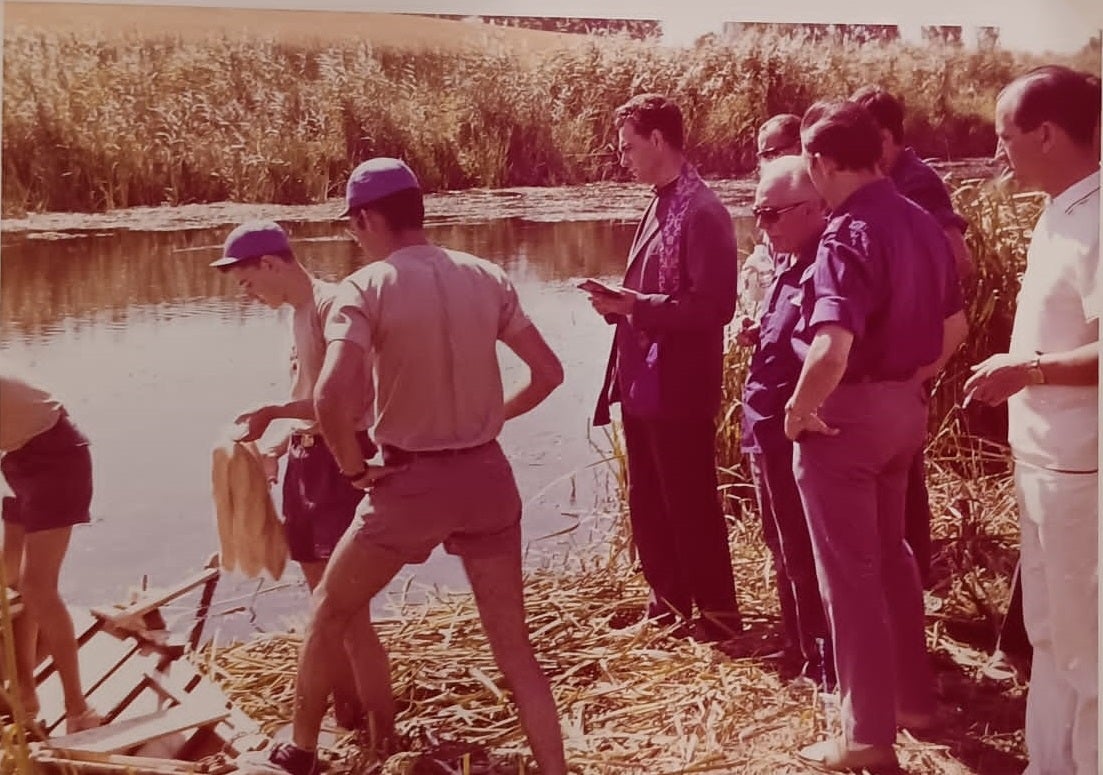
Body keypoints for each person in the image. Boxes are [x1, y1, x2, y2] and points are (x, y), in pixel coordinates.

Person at [237, 158, 567, 775]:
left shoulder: (366, 287)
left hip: (410, 482)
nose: (354, 237)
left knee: (330, 608)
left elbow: (334, 398)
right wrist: (491, 422)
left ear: (368, 219)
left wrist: (354, 468)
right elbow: (550, 374)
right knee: (514, 649)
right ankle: (554, 769)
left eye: (354, 226)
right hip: (488, 477)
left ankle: (299, 753)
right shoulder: (486, 275)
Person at [786, 100, 967, 771]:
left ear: (821, 160)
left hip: (847, 416)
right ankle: (913, 703)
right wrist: (907, 379)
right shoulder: (921, 220)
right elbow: (955, 330)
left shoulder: (844, 233)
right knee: (891, 558)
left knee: (849, 574)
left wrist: (798, 410)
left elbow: (830, 345)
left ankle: (864, 735)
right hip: (902, 410)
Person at [964, 65, 1099, 775]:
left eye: (1004, 136)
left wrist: (1030, 369)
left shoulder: (1099, 217)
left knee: (1089, 648)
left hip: (1083, 472)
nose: (997, 154)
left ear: (1045, 133)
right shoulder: (1059, 210)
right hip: (1043, 462)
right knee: (1047, 635)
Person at [209, 220, 375, 730]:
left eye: (249, 281)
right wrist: (274, 448)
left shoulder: (331, 307)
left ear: (271, 264)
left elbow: (349, 404)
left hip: (337, 462)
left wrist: (276, 411)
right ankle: (350, 716)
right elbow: (310, 400)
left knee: (344, 611)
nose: (248, 293)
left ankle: (377, 726)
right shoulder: (297, 314)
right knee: (324, 605)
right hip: (306, 461)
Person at [589, 93, 742, 642]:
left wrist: (634, 305)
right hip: (645, 378)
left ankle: (719, 616)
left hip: (678, 383)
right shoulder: (661, 201)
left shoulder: (703, 211)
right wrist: (620, 304)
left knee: (689, 501)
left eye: (629, 145)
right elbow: (657, 291)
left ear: (658, 140)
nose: (622, 155)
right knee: (650, 499)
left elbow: (714, 307)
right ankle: (671, 603)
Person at [851, 85, 975, 587]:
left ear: (884, 136)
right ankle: (904, 574)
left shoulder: (914, 182)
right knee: (897, 462)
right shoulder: (885, 178)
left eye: (860, 137)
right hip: (897, 344)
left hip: (913, 346)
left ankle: (914, 575)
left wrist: (910, 303)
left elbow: (957, 259)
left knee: (906, 467)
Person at [738, 155, 833, 688]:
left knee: (802, 549)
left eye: (771, 214)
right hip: (764, 428)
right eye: (757, 213)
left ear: (813, 208)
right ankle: (797, 648)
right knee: (781, 546)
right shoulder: (789, 262)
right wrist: (761, 331)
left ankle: (822, 665)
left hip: (791, 431)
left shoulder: (824, 266)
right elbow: (791, 336)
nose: (762, 226)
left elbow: (829, 353)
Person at [0, 360, 102, 734]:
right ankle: (25, 693)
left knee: (37, 588)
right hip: (16, 456)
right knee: (9, 580)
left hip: (55, 457)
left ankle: (78, 709)